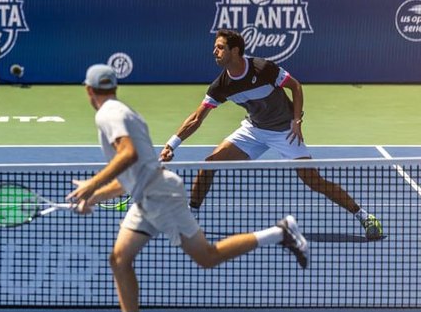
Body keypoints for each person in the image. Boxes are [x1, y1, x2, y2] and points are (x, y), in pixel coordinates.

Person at [67, 64, 309, 312]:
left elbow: (128, 155)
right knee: (119, 259)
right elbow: (136, 171)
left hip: (162, 197)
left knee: (207, 257)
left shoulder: (107, 114)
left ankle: (279, 233)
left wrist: (91, 186)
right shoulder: (124, 112)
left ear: (89, 90)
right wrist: (94, 197)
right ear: (113, 87)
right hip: (148, 195)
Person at [159, 29, 382, 240]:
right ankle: (191, 217)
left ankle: (364, 216)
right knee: (209, 164)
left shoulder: (263, 68)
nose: (214, 52)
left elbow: (295, 86)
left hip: (285, 131)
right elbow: (197, 118)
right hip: (254, 130)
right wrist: (171, 145)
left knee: (313, 181)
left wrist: (297, 120)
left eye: (220, 48)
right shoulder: (221, 85)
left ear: (235, 51)